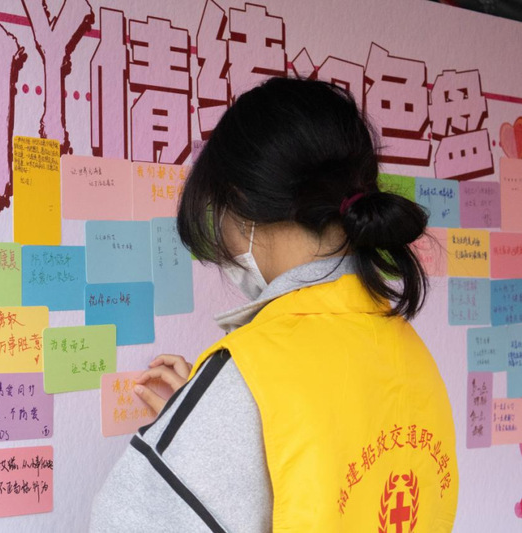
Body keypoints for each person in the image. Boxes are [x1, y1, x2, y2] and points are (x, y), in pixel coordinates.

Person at [89, 76, 458, 532]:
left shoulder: (251, 374)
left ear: (240, 202)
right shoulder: (414, 356)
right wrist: (208, 419)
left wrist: (216, 414)